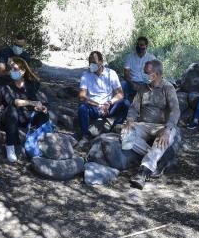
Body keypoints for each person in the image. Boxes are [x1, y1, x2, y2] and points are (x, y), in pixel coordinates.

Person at [124, 60, 181, 189]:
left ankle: (143, 172)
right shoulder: (142, 88)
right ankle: (158, 159)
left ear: (155, 74)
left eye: (146, 73)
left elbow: (175, 110)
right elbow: (134, 108)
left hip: (161, 126)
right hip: (143, 125)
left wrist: (167, 129)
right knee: (125, 134)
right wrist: (130, 120)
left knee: (165, 138)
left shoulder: (168, 88)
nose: (144, 75)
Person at [0, 57, 48, 162]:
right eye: (11, 69)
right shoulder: (5, 86)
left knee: (44, 114)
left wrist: (39, 107)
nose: (13, 71)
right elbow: (14, 102)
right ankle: (10, 146)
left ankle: (37, 141)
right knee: (12, 109)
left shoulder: (29, 86)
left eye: (15, 69)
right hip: (8, 117)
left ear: (23, 71)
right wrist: (31, 102)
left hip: (23, 117)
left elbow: (33, 103)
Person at [77, 51, 130, 143]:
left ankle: (115, 128)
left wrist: (108, 103)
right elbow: (81, 96)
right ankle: (85, 135)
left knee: (126, 103)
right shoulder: (86, 75)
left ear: (101, 62)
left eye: (94, 62)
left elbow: (120, 94)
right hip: (94, 107)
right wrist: (98, 105)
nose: (91, 65)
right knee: (82, 108)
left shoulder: (111, 73)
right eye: (90, 62)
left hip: (109, 107)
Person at [122, 36, 157, 101]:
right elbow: (126, 74)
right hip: (132, 83)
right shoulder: (130, 57)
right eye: (137, 44)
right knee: (123, 84)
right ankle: (124, 103)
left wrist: (148, 84)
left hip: (145, 83)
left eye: (141, 45)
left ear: (146, 46)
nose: (139, 46)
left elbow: (155, 74)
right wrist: (132, 84)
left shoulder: (151, 58)